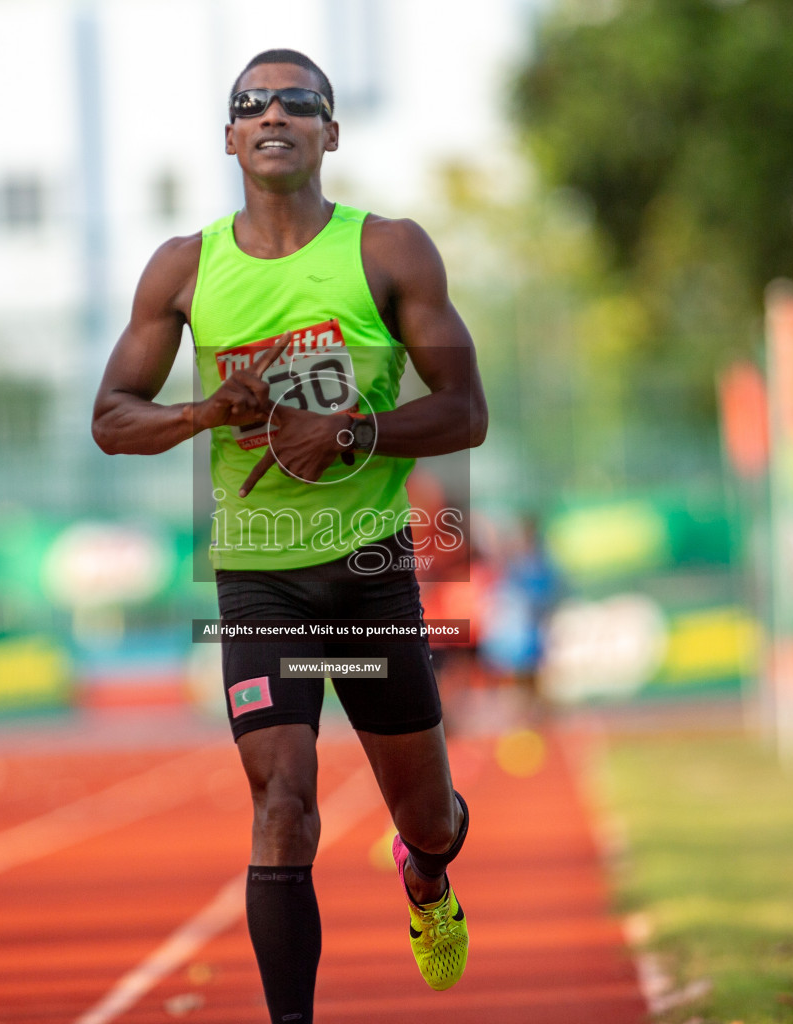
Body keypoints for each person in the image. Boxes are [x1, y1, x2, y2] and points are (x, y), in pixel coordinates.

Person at [92, 47, 488, 1023]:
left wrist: (352, 428)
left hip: (370, 575)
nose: (275, 113)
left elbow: (466, 412)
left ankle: (426, 875)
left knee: (428, 817)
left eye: (299, 102)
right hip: (259, 581)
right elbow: (111, 416)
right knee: (283, 803)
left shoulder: (390, 251)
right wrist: (207, 410)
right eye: (252, 103)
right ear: (229, 136)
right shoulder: (185, 268)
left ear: (331, 132)